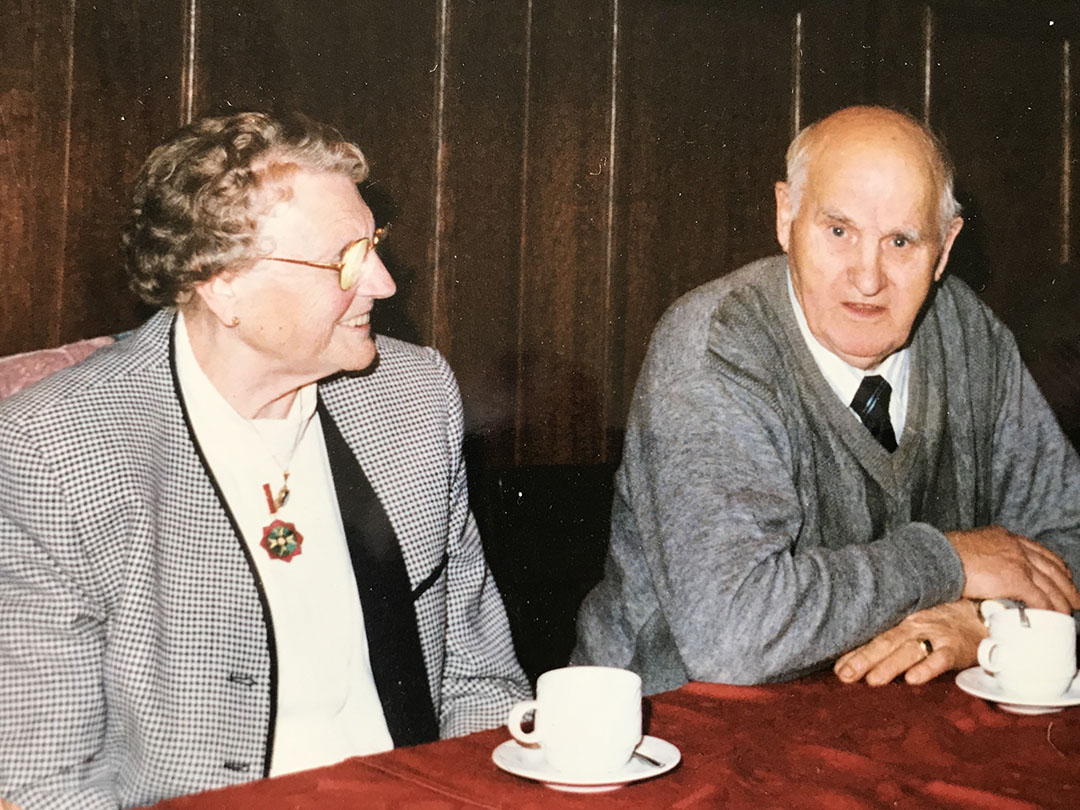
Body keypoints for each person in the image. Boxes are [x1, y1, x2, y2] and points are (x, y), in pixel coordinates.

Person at [0, 112, 529, 810]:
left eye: (375, 245)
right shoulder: (58, 449)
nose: (381, 282)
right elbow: (42, 781)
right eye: (344, 258)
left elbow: (478, 681)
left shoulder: (413, 399)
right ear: (223, 284)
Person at [572, 105, 1080, 694]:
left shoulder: (969, 335)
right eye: (838, 231)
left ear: (945, 248)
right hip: (673, 739)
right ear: (786, 216)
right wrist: (951, 563)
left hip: (883, 738)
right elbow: (733, 635)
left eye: (901, 241)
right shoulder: (717, 344)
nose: (867, 278)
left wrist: (987, 623)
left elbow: (1066, 539)